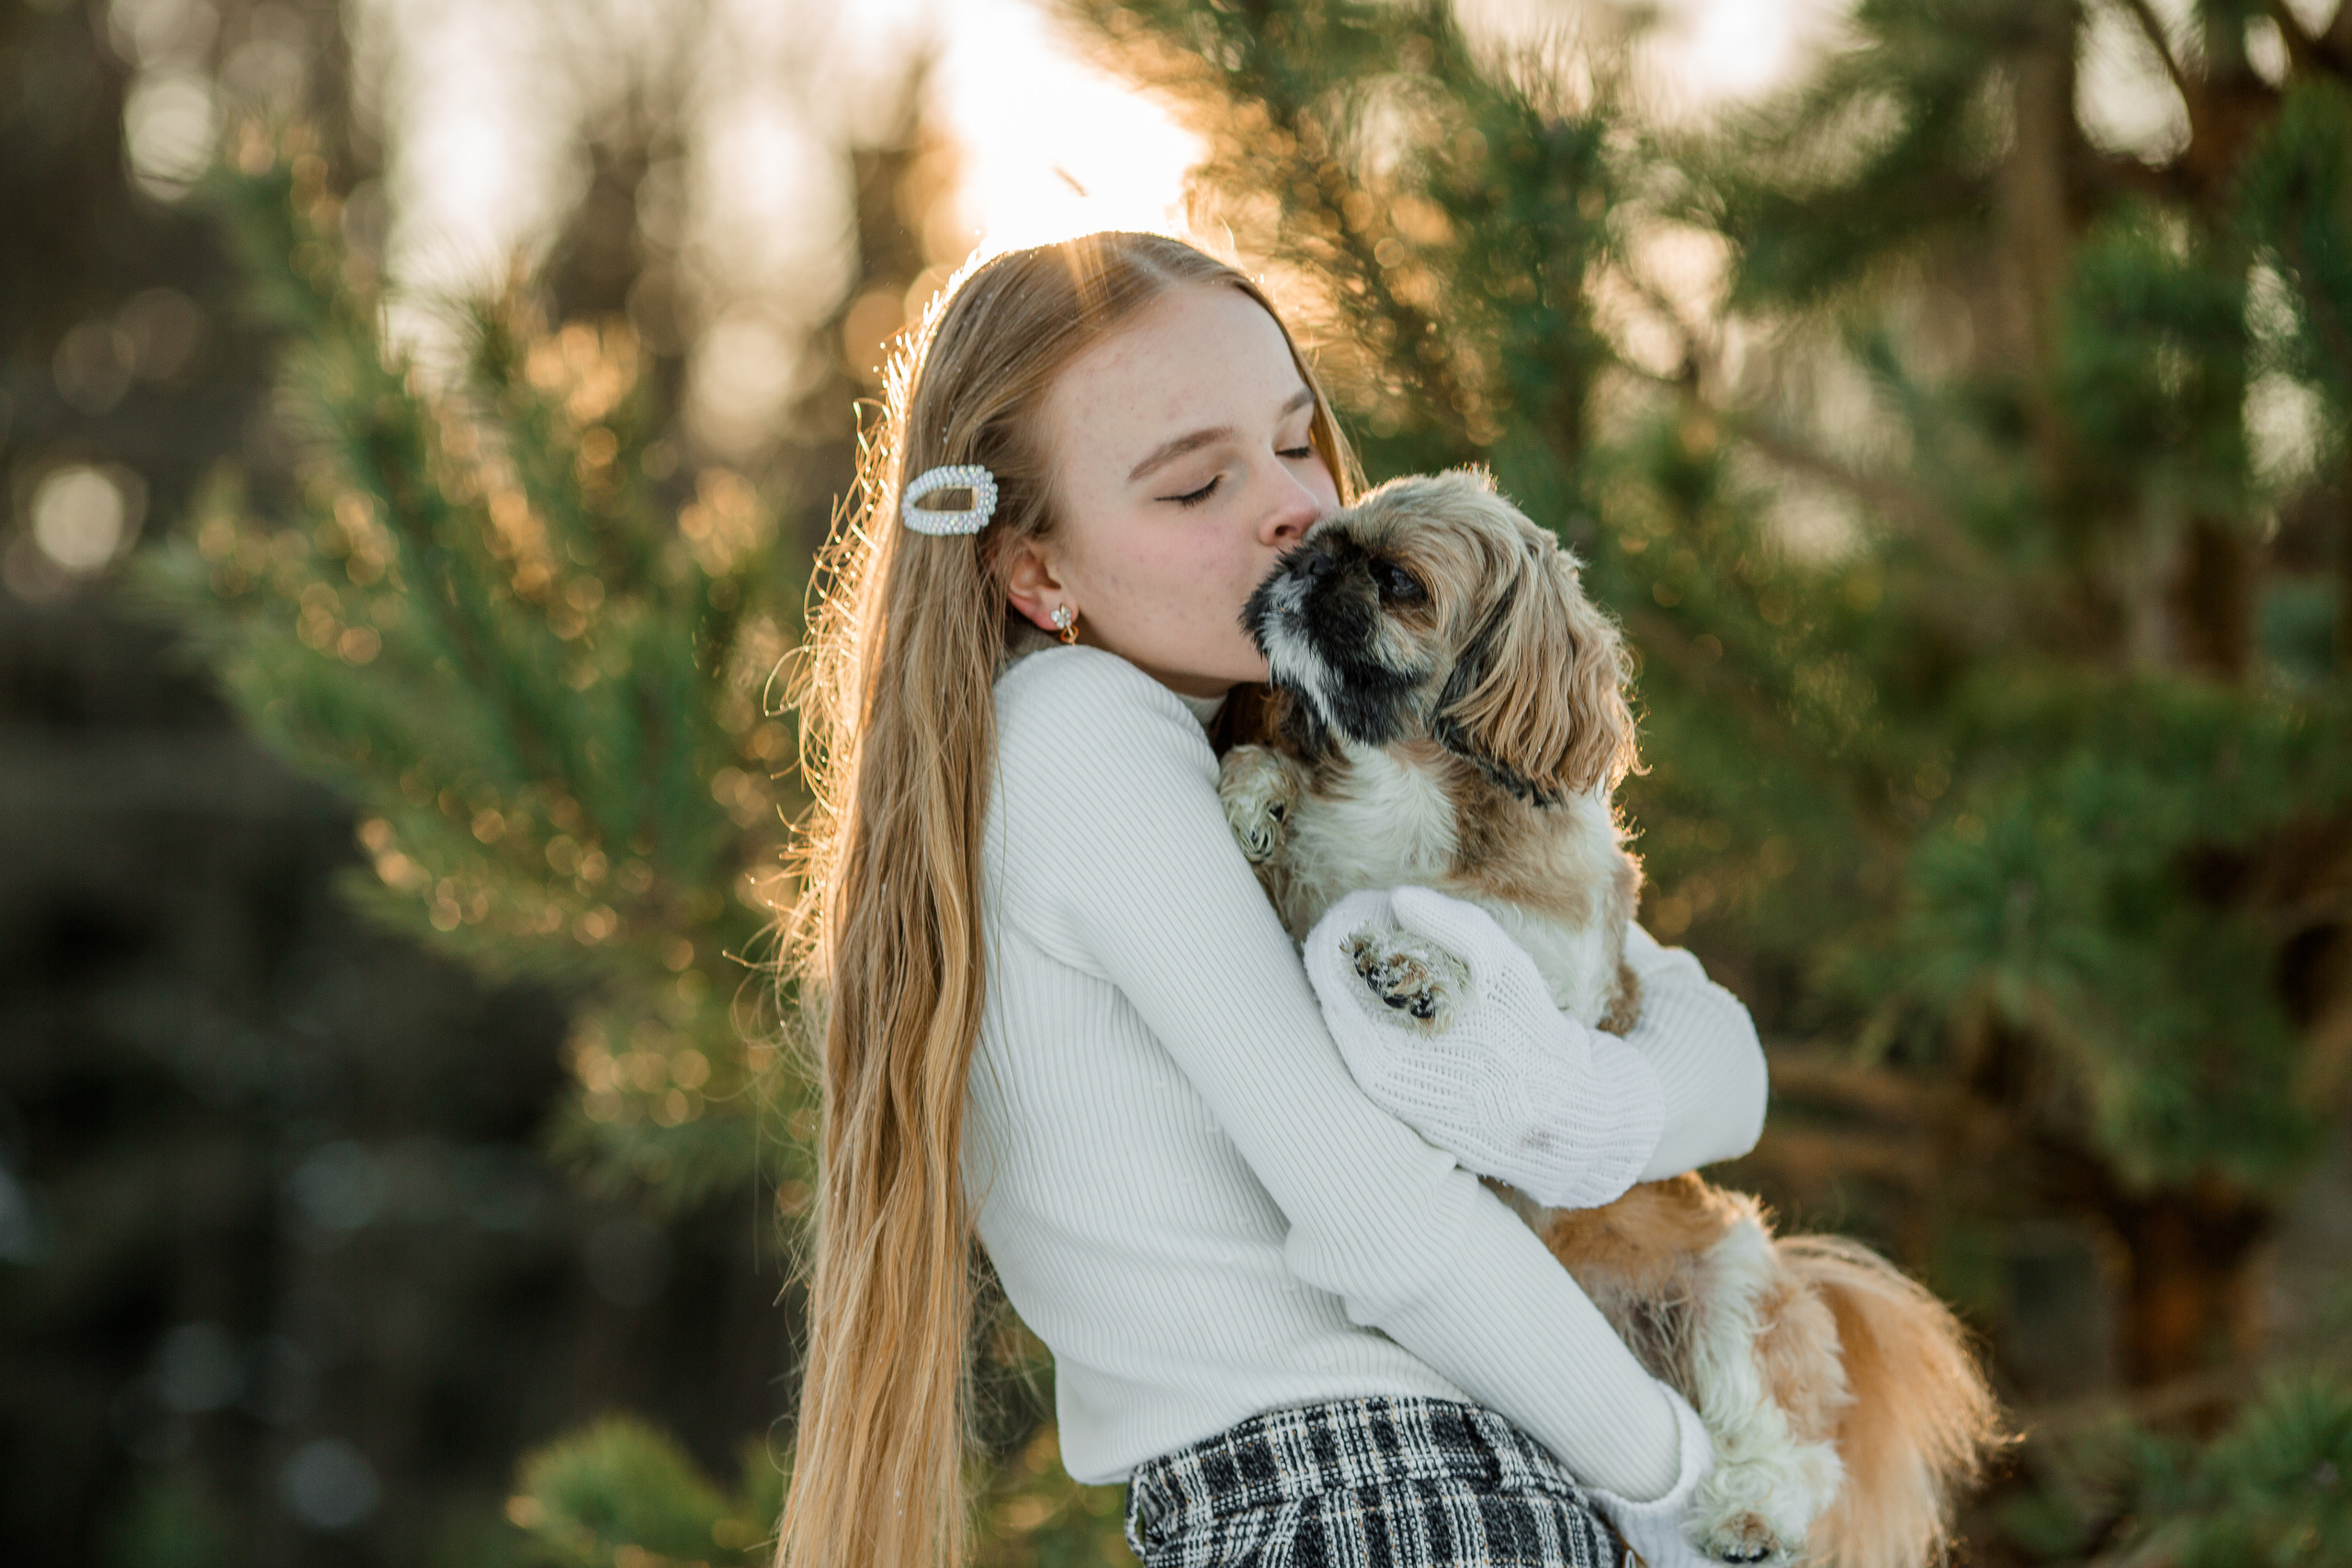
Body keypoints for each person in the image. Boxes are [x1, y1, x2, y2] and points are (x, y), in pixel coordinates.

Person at [775, 231, 1769, 1568]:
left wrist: (1582, 1116)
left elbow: (1723, 1056)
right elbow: (1388, 1220)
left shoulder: (1291, 770)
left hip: (1368, 1501)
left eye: (1297, 441)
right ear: (1036, 573)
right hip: (1393, 1505)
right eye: (1197, 484)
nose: (1294, 506)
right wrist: (1684, 1489)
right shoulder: (1081, 732)